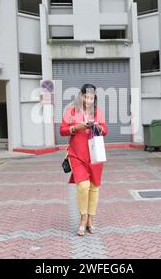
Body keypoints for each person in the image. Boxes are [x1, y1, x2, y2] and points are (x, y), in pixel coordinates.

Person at [60, 84, 108, 236]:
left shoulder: (97, 112)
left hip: (95, 154)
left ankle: (90, 221)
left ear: (95, 98)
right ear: (80, 96)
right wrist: (78, 127)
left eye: (91, 98)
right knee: (83, 185)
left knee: (94, 187)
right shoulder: (71, 111)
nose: (88, 100)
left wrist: (99, 128)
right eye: (86, 97)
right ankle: (82, 219)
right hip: (77, 154)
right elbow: (62, 130)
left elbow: (105, 129)